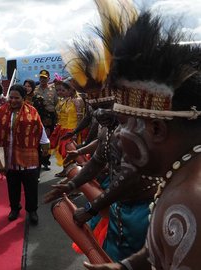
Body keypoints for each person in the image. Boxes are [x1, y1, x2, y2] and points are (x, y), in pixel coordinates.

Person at [84, 10, 201, 270]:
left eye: (125, 124)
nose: (119, 134)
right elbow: (160, 248)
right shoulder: (181, 176)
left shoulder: (191, 199)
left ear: (157, 129)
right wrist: (124, 266)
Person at [0, 84, 43, 225]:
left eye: (17, 98)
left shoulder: (32, 111)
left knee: (31, 186)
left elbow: (40, 129)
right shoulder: (1, 111)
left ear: (23, 98)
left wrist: (45, 144)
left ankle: (32, 210)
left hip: (29, 157)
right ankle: (15, 209)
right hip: (10, 156)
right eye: (11, 97)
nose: (13, 100)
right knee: (13, 185)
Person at [49, 78, 85, 177]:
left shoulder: (77, 100)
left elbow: (80, 118)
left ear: (72, 89)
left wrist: (76, 133)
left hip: (73, 130)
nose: (63, 92)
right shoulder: (68, 100)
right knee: (64, 151)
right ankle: (67, 171)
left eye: (65, 89)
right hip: (65, 129)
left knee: (70, 153)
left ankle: (75, 175)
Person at [34, 70, 58, 170]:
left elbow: (57, 104)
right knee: (37, 139)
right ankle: (38, 161)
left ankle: (45, 161)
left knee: (47, 140)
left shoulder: (53, 89)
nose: (42, 80)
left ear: (48, 78)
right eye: (41, 78)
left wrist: (57, 118)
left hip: (50, 118)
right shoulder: (35, 90)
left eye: (44, 78)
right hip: (38, 117)